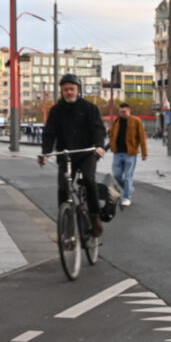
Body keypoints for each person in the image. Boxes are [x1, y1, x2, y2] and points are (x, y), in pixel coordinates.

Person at [38, 74, 106, 236]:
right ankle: (66, 226)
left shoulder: (90, 108)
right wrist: (45, 153)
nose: (69, 92)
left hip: (87, 153)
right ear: (61, 91)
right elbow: (49, 133)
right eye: (65, 90)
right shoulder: (56, 111)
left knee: (89, 180)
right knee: (63, 187)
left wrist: (99, 146)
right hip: (66, 154)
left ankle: (95, 217)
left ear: (78, 90)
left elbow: (98, 128)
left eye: (72, 89)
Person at [109, 102, 148, 206]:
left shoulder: (136, 121)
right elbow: (112, 135)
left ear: (129, 111)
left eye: (124, 111)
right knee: (117, 175)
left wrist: (144, 153)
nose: (122, 113)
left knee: (127, 176)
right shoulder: (116, 121)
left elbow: (142, 137)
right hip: (117, 153)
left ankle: (127, 197)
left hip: (130, 153)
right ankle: (129, 188)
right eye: (121, 112)